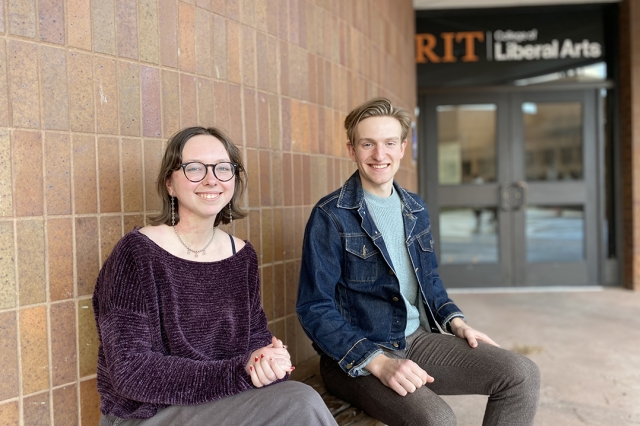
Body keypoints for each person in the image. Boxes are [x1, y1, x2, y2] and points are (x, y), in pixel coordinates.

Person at [296, 99, 540, 426]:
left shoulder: (414, 208)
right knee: (436, 419)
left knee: (521, 374)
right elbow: (314, 306)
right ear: (352, 150)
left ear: (403, 149)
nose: (379, 155)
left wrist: (456, 322)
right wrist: (378, 362)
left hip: (416, 340)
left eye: (389, 143)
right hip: (354, 356)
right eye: (367, 144)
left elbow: (430, 280)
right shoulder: (331, 215)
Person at [93, 127, 337, 426]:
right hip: (150, 414)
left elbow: (255, 341)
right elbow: (131, 371)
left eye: (223, 168)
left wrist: (270, 361)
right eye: (194, 168)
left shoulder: (241, 255)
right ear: (170, 183)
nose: (212, 179)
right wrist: (241, 372)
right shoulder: (137, 254)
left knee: (296, 399)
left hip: (224, 404)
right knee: (301, 404)